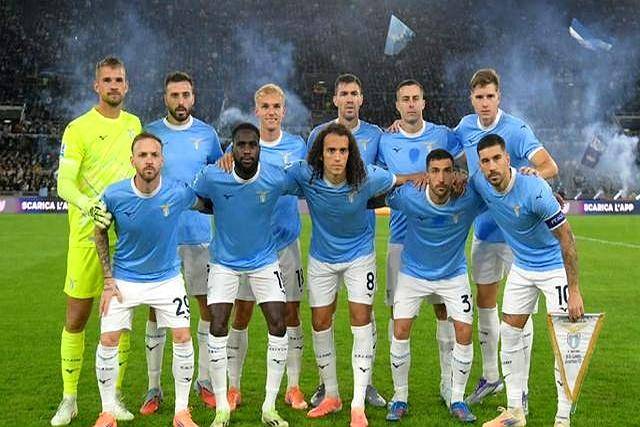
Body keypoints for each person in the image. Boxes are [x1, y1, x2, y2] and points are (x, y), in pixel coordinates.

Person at [287, 123, 419, 427]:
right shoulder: (305, 174)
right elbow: (267, 176)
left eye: (343, 151)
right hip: (321, 259)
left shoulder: (368, 176)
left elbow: (400, 179)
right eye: (331, 150)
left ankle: (357, 404)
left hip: (360, 257)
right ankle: (331, 395)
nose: (337, 157)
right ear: (320, 154)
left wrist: (426, 176)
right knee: (320, 322)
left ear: (351, 153)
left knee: (361, 320)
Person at [455, 69, 559, 409]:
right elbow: (439, 146)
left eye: (490, 96)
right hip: (485, 232)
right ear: (471, 99)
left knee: (520, 313)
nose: (485, 103)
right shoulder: (465, 127)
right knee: (485, 302)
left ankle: (521, 389)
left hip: (520, 237)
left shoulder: (516, 129)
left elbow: (550, 166)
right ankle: (490, 377)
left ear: (499, 97)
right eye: (479, 97)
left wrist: (534, 172)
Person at [52, 56, 141, 426]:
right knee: (76, 318)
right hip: (87, 237)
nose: (113, 86)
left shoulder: (134, 125)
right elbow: (64, 183)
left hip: (125, 238)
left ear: (126, 85)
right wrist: (89, 205)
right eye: (107, 80)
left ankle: (114, 397)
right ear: (96, 85)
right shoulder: (78, 129)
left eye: (119, 80)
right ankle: (69, 399)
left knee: (121, 319)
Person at [470, 134, 583, 427]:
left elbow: (567, 238)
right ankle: (515, 412)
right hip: (522, 267)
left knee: (563, 343)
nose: (491, 166)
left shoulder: (534, 188)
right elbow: (459, 187)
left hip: (553, 269)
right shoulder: (480, 182)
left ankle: (562, 418)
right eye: (485, 161)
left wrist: (574, 290)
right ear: (480, 165)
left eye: (497, 158)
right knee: (509, 334)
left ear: (508, 159)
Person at [92, 132, 202, 427]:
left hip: (167, 278)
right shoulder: (114, 195)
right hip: (124, 279)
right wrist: (108, 280)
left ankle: (182, 412)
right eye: (142, 155)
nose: (149, 160)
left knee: (183, 336)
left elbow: (207, 203)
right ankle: (107, 412)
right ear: (132, 161)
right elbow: (98, 233)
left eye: (154, 155)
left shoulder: (178, 192)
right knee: (108, 339)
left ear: (162, 160)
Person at [193, 123, 298, 427]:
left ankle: (269, 407)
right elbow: (194, 196)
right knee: (218, 324)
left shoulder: (275, 176)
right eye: (241, 145)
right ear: (232, 148)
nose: (247, 150)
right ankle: (222, 408)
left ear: (259, 148)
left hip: (264, 260)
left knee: (279, 323)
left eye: (253, 145)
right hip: (224, 262)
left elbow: (306, 186)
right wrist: (217, 207)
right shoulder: (214, 175)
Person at [140, 71, 223, 414]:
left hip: (200, 236)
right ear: (165, 98)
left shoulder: (207, 134)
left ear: (193, 97)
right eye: (174, 95)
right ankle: (153, 387)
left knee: (206, 307)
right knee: (156, 309)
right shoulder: (151, 133)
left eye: (185, 95)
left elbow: (219, 176)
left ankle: (203, 380)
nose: (180, 101)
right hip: (161, 237)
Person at [379, 79, 463, 407]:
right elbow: (375, 177)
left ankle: (447, 384)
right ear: (397, 106)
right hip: (400, 240)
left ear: (424, 103)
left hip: (438, 241)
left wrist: (459, 177)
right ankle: (399, 393)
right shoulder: (385, 139)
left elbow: (468, 155)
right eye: (405, 99)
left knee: (444, 312)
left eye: (416, 98)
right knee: (399, 318)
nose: (411, 104)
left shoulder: (443, 135)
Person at [225, 84, 309, 411]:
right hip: (251, 246)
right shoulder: (241, 148)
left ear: (283, 111)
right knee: (242, 313)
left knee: (291, 314)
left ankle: (293, 387)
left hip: (286, 244)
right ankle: (233, 387)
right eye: (266, 106)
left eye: (276, 106)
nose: (271, 112)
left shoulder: (297, 146)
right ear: (256, 110)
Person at [384, 149, 484, 423]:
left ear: (455, 174)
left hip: (453, 275)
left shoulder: (468, 197)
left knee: (464, 331)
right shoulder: (410, 196)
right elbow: (376, 195)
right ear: (426, 174)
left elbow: (499, 195)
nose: (441, 178)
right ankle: (400, 397)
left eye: (447, 171)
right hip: (413, 274)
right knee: (400, 330)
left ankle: (457, 399)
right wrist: (404, 179)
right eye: (435, 171)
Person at [306, 73, 386, 408]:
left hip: (361, 242)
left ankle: (366, 384)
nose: (350, 98)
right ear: (335, 99)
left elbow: (384, 179)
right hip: (323, 246)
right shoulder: (318, 135)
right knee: (321, 318)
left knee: (362, 315)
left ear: (361, 98)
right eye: (344, 93)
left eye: (355, 93)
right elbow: (309, 177)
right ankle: (326, 386)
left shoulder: (378, 135)